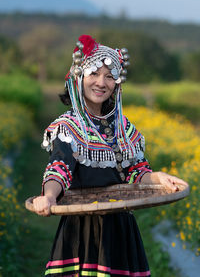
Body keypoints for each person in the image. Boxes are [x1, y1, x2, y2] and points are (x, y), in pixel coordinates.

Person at [33, 35, 187, 277]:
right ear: (79, 77)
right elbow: (59, 168)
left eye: (109, 76)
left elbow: (136, 172)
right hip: (82, 229)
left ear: (117, 83)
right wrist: (49, 197)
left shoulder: (122, 128)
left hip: (120, 228)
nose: (101, 83)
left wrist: (158, 177)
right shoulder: (69, 126)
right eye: (94, 74)